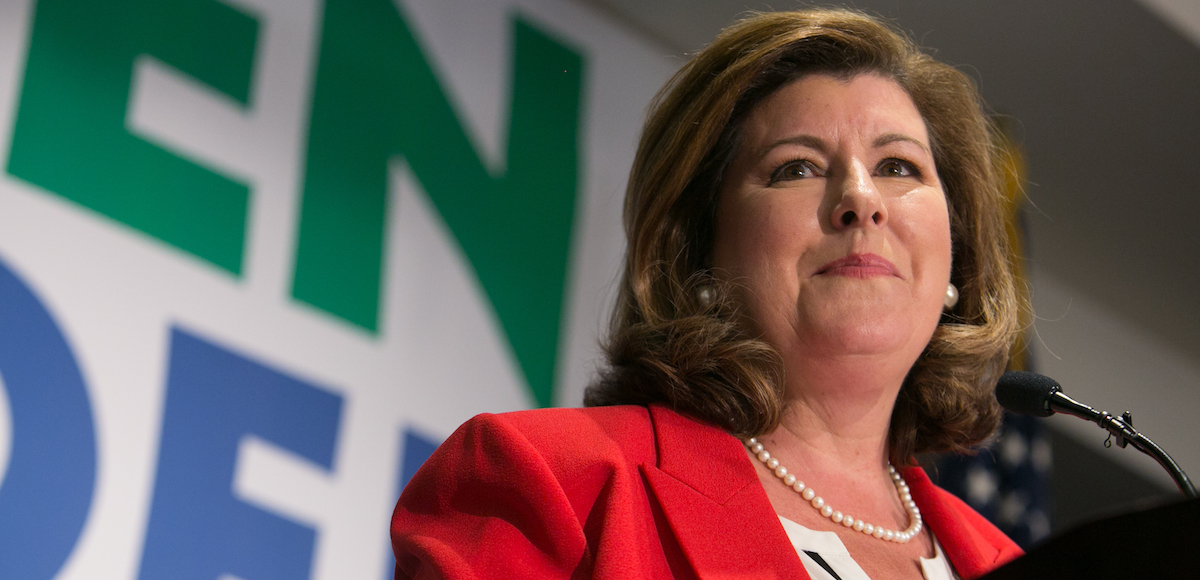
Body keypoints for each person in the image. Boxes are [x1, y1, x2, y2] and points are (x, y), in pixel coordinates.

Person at [391, 7, 1023, 580]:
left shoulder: (1020, 564)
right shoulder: (555, 482)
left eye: (898, 167)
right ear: (698, 255)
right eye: (795, 168)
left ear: (955, 261)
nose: (861, 198)